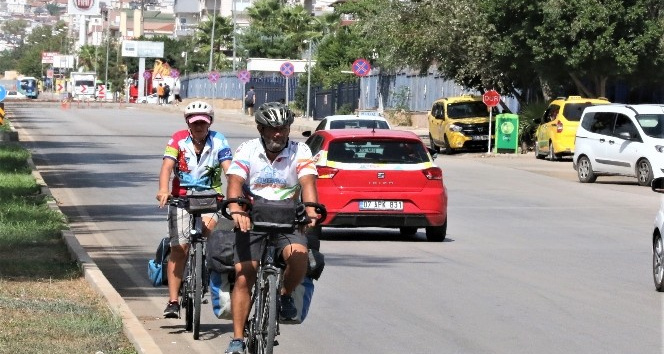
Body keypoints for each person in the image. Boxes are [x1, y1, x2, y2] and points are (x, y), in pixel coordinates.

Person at [224, 102, 320, 354]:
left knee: (299, 259)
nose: (278, 134)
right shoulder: (247, 149)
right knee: (245, 274)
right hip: (252, 216)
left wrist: (310, 211)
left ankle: (284, 295)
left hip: (288, 215)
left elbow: (308, 183)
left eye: (283, 128)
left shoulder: (301, 150)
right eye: (272, 129)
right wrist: (236, 210)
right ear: (261, 129)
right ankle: (236, 339)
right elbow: (235, 182)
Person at [156, 100, 233, 319]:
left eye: (203, 122)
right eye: (194, 122)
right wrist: (163, 190)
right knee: (180, 248)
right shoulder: (178, 139)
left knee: (208, 236)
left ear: (209, 123)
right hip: (182, 199)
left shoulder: (219, 140)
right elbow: (167, 167)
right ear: (188, 123)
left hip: (211, 198)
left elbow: (229, 170)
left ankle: (203, 272)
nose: (199, 126)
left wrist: (236, 195)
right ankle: (173, 301)